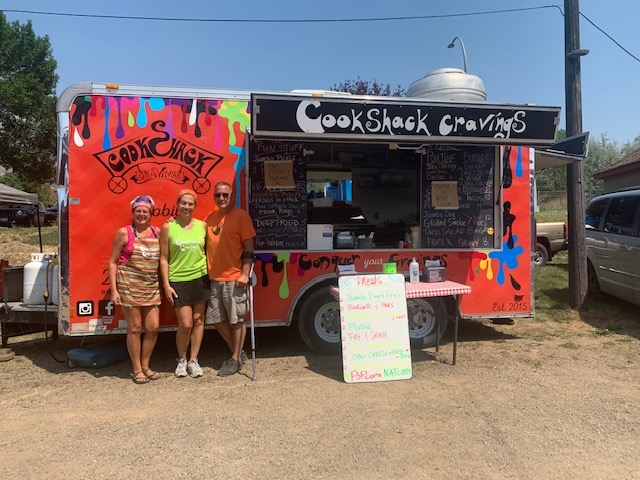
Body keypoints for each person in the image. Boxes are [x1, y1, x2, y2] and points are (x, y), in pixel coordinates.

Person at [108, 195, 161, 384]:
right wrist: (114, 291)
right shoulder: (124, 233)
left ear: (151, 214)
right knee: (135, 328)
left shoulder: (158, 233)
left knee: (153, 328)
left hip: (151, 286)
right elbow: (113, 262)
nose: (141, 214)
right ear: (133, 212)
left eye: (145, 211)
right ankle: (137, 369)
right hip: (129, 286)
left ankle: (146, 365)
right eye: (138, 211)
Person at [205, 181, 256, 376]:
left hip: (234, 278)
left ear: (232, 196)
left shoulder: (241, 217)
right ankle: (239, 351)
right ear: (214, 197)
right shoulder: (210, 218)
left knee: (236, 320)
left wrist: (244, 273)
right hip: (214, 278)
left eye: (225, 195)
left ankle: (234, 359)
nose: (222, 198)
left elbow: (249, 247)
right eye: (218, 195)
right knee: (216, 320)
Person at [159, 189, 209, 378]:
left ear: (195, 206)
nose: (186, 207)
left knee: (198, 320)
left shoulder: (202, 226)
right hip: (178, 280)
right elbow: (164, 258)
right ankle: (181, 359)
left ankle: (193, 360)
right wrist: (166, 285)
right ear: (177, 205)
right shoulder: (168, 227)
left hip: (201, 278)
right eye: (183, 203)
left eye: (190, 204)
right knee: (186, 324)